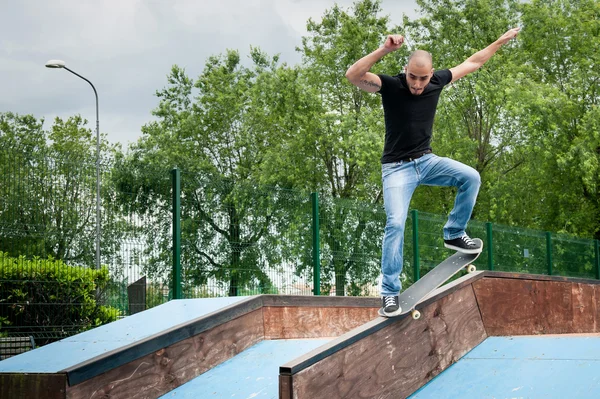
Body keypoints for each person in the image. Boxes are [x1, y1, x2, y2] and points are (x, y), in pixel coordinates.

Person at [345, 27, 520, 316]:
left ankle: (453, 233)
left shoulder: (438, 81)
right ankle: (390, 293)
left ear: (432, 74)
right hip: (396, 170)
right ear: (406, 71)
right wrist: (384, 49)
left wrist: (500, 41)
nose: (417, 84)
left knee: (471, 177)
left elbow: (474, 62)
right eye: (412, 77)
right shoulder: (390, 85)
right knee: (396, 224)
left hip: (427, 162)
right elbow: (353, 75)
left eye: (423, 78)